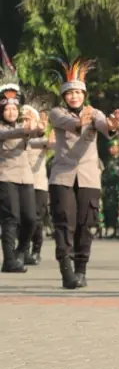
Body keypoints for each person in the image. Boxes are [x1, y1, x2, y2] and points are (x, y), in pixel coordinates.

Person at [49, 57, 119, 288]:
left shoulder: (95, 112)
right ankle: (66, 269)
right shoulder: (56, 113)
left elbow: (103, 125)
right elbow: (74, 125)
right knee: (65, 222)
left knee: (86, 223)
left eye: (78, 93)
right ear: (64, 96)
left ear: (84, 95)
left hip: (89, 176)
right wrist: (82, 121)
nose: (74, 97)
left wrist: (113, 124)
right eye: (70, 93)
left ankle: (81, 268)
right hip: (63, 175)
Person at [0, 66, 44, 273]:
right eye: (7, 109)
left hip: (26, 178)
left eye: (14, 109)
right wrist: (26, 130)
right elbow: (15, 133)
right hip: (5, 177)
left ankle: (21, 251)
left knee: (31, 219)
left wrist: (39, 129)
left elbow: (34, 135)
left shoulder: (23, 128)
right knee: (11, 218)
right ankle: (9, 260)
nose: (11, 111)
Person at [22, 106, 52, 265]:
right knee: (23, 218)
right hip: (21, 183)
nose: (26, 122)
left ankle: (36, 251)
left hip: (39, 184)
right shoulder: (18, 137)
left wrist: (47, 134)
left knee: (36, 219)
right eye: (23, 120)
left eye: (29, 119)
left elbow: (50, 143)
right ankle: (23, 250)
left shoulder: (40, 140)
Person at [101, 139, 119, 237]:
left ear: (118, 148)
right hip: (109, 189)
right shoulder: (108, 160)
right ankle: (114, 229)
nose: (111, 150)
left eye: (113, 147)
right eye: (110, 148)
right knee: (111, 209)